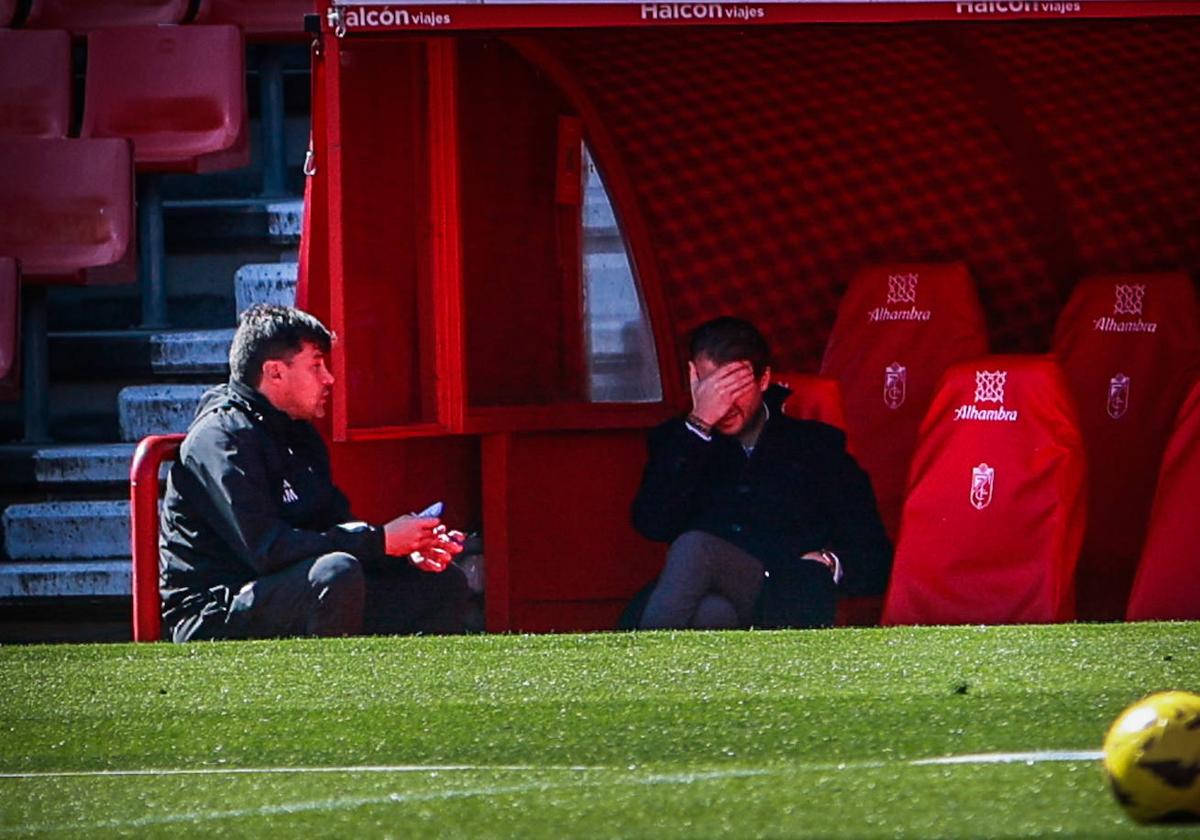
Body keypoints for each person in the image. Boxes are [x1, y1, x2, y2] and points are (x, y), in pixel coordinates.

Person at [159, 304, 470, 642]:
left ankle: (404, 692)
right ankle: (328, 690)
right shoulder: (220, 438)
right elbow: (265, 550)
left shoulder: (298, 431)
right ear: (275, 373)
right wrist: (380, 541)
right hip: (212, 609)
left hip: (284, 586)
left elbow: (334, 526)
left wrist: (403, 550)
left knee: (439, 583)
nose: (329, 378)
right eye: (317, 365)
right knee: (336, 573)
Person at [629, 316, 892, 629]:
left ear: (764, 379)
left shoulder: (816, 446)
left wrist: (828, 563)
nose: (723, 404)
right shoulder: (680, 441)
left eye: (734, 388)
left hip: (787, 597)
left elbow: (873, 550)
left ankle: (637, 668)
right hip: (712, 597)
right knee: (713, 612)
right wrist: (698, 425)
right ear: (693, 380)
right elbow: (651, 523)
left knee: (695, 546)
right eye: (711, 388)